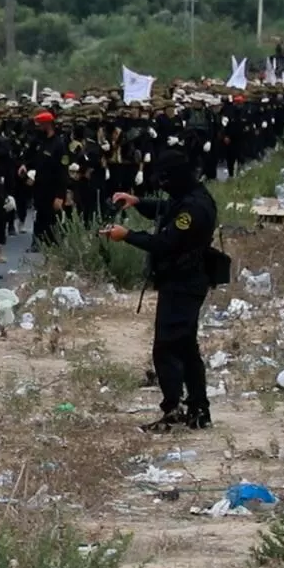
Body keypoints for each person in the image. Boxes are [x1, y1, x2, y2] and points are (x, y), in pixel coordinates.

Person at [104, 149, 219, 432]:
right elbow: (165, 208)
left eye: (166, 180)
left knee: (167, 347)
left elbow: (166, 243)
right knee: (186, 347)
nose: (163, 186)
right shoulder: (189, 198)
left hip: (184, 283)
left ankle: (173, 410)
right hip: (183, 281)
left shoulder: (193, 209)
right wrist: (137, 202)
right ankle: (198, 409)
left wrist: (127, 236)